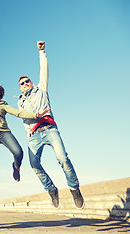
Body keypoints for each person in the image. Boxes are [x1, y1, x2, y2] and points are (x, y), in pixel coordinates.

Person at [17, 41, 84, 209]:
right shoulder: (20, 102)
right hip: (34, 135)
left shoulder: (41, 89)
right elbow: (24, 118)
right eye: (22, 83)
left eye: (27, 81)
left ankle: (74, 188)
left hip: (50, 130)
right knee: (34, 164)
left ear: (31, 82)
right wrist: (27, 132)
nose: (25, 84)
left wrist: (42, 52)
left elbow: (44, 69)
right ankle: (51, 189)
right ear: (19, 87)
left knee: (62, 158)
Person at [0, 84, 49, 188]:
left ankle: (16, 167)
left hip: (4, 132)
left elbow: (18, 113)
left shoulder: (3, 105)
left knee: (18, 152)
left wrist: (36, 115)